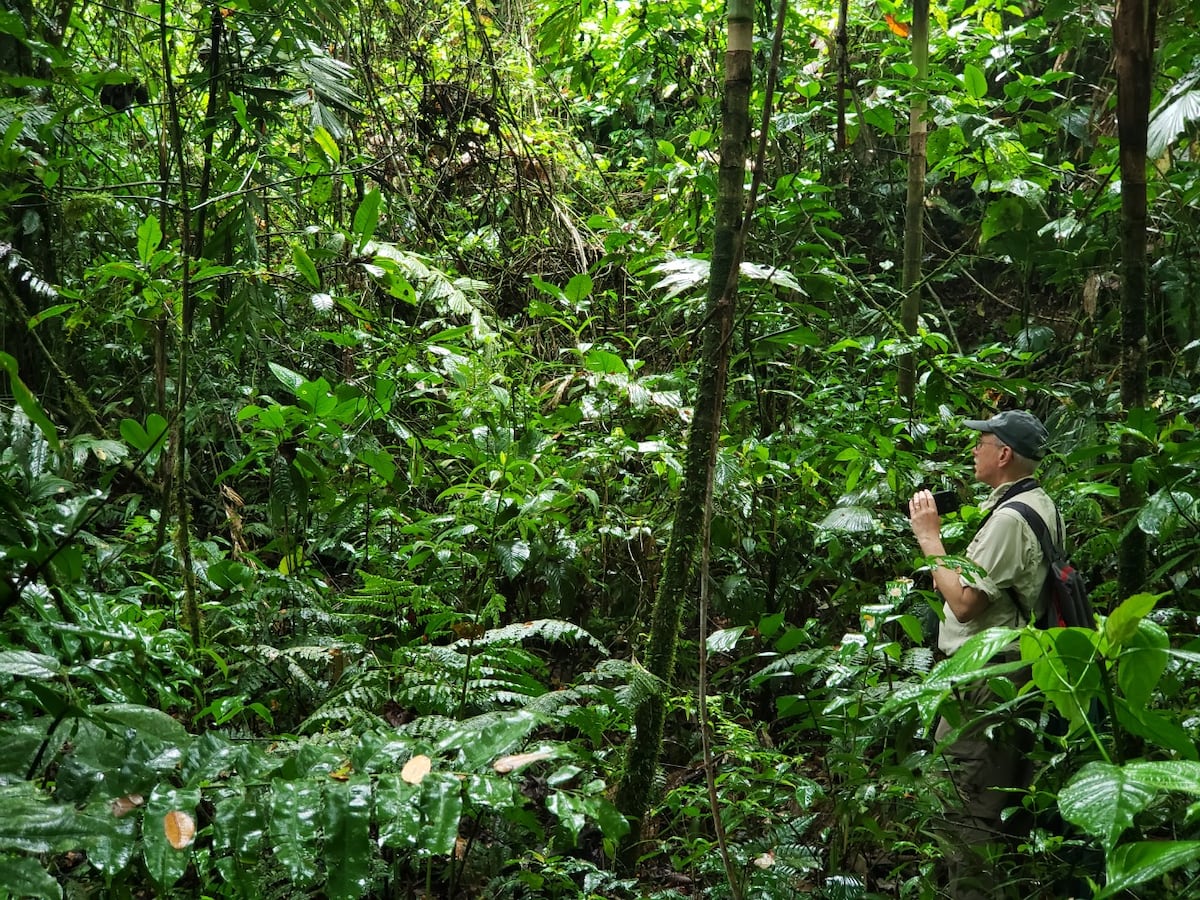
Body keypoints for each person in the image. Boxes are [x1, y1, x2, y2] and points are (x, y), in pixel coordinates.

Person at [907, 409, 1058, 899]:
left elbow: (966, 604)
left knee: (966, 806)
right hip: (1014, 669)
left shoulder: (1011, 519)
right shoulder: (1037, 503)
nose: (974, 450)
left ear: (1004, 454)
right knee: (993, 801)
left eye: (982, 442)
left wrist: (930, 538)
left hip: (985, 679)